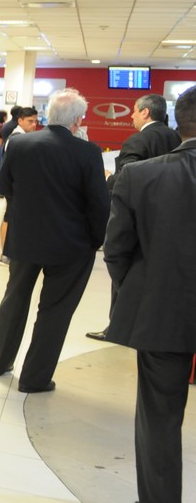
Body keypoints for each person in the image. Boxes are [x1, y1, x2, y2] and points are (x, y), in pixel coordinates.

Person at [102, 87, 196, 503]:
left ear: (178, 123)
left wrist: (142, 293)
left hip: (163, 312)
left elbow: (117, 251)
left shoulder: (140, 175)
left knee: (158, 419)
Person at [0, 89, 109, 394]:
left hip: (25, 238)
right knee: (55, 311)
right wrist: (95, 241)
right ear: (78, 120)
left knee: (14, 298)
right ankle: (34, 378)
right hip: (70, 244)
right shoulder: (88, 152)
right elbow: (98, 204)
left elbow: (4, 187)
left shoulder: (21, 143)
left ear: (47, 115)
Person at [86, 93, 182, 343]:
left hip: (139, 217)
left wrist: (108, 178)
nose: (130, 115)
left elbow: (124, 180)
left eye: (134, 111)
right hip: (171, 217)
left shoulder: (136, 141)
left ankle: (117, 325)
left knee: (126, 267)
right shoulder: (176, 138)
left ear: (146, 113)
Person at [0, 107, 40, 266]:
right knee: (9, 217)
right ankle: (5, 253)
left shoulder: (22, 137)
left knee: (11, 217)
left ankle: (8, 251)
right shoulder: (17, 138)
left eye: (35, 121)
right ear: (20, 120)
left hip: (15, 184)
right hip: (14, 185)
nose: (34, 125)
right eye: (30, 121)